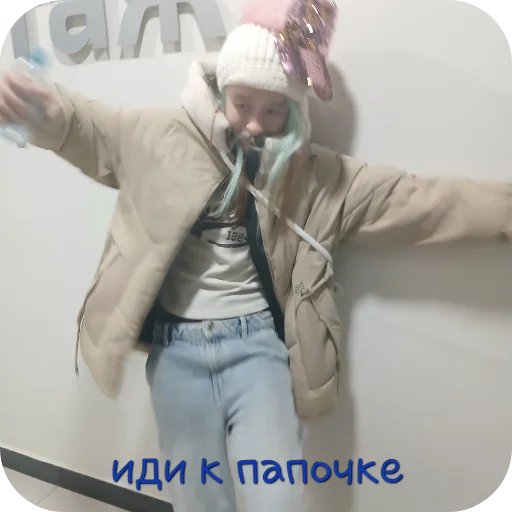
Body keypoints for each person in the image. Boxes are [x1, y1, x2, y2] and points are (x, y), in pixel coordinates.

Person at [0, 0, 511, 510]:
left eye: (273, 110)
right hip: (177, 354)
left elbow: (419, 200)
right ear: (221, 89)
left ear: (293, 111)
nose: (255, 124)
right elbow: (87, 127)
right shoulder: (158, 136)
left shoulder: (316, 177)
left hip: (259, 353)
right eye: (242, 103)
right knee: (197, 500)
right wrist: (35, 108)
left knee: (278, 500)